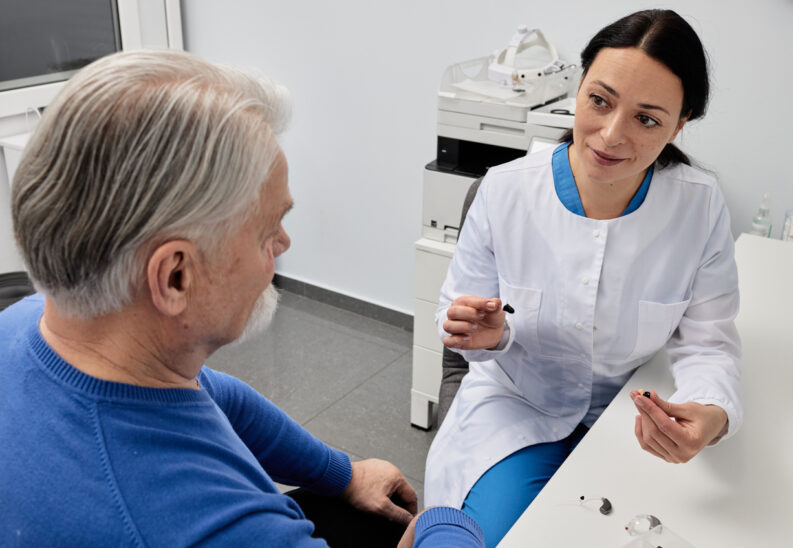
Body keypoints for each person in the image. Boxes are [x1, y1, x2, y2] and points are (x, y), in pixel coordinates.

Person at [0, 50, 483, 547]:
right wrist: (450, 511)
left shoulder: (34, 321)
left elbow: (217, 396)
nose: (284, 243)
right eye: (267, 229)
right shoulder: (214, 528)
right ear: (176, 277)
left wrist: (344, 473)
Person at [424, 9, 742, 546]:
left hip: (634, 416)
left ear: (680, 123)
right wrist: (486, 334)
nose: (611, 135)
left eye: (647, 119)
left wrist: (712, 414)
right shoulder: (504, 192)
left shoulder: (699, 206)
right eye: (600, 100)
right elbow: (460, 320)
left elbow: (709, 342)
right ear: (577, 86)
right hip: (516, 410)